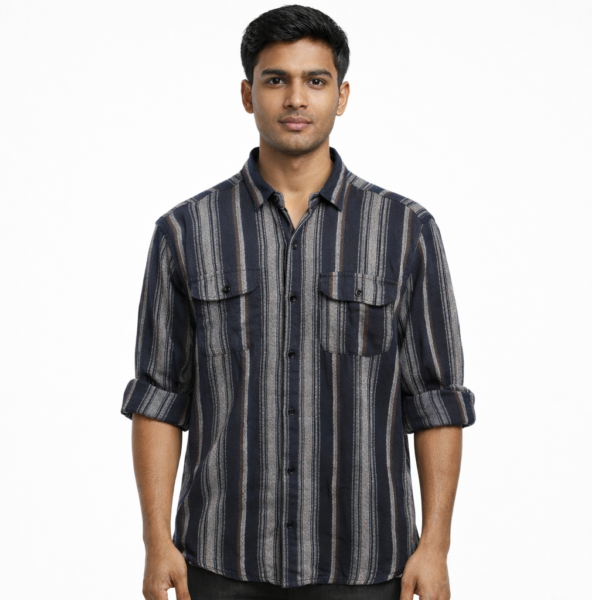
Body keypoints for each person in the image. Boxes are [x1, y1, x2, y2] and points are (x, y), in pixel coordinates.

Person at [120, 5, 476, 599]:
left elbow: (435, 400)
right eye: (275, 79)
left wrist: (435, 545)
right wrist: (157, 542)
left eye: (315, 80)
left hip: (367, 563)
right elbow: (159, 397)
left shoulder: (405, 230)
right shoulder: (186, 231)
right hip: (220, 560)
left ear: (341, 95)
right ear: (247, 94)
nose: (295, 99)